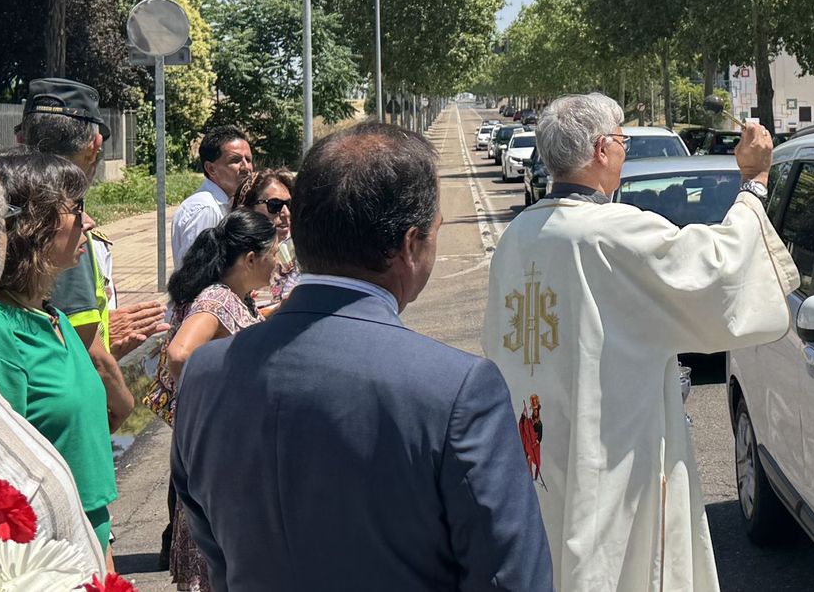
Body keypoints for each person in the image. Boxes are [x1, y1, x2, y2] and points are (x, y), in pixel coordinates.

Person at [172, 123, 552, 591]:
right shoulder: (458, 390)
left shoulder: (206, 377)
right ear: (410, 245)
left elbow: (220, 563)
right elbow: (512, 578)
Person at [483, 93, 798, 592]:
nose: (625, 152)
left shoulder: (517, 238)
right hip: (613, 457)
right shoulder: (612, 233)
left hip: (536, 455)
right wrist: (753, 184)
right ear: (601, 149)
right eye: (623, 141)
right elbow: (716, 272)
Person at [0, 131, 105, 572]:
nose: (88, 224)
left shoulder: (53, 316)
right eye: (76, 210)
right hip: (48, 557)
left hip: (92, 533)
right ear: (35, 226)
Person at [21, 78, 168, 433]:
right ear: (95, 144)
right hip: (63, 419)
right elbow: (85, 344)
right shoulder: (63, 231)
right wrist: (123, 400)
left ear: (20, 139)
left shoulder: (9, 208)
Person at [162, 210, 274, 591]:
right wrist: (213, 408)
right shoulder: (215, 299)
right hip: (218, 457)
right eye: (274, 253)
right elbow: (180, 355)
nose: (279, 262)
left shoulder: (237, 298)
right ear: (251, 259)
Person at [170, 126, 253, 268]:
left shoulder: (225, 203)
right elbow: (196, 274)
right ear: (211, 168)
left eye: (249, 159)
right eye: (235, 160)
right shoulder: (206, 209)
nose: (246, 167)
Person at [233, 170, 298, 310]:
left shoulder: (301, 254)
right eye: (275, 205)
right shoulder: (231, 263)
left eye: (290, 204)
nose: (286, 213)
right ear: (247, 211)